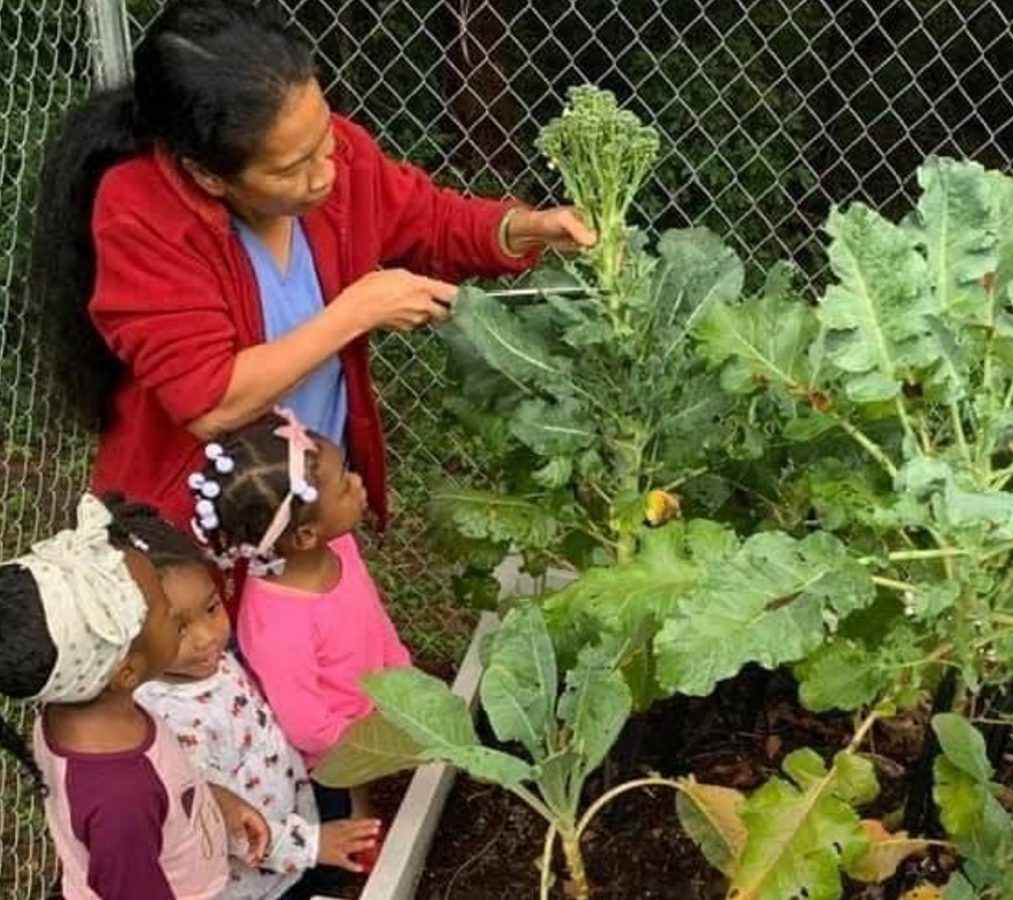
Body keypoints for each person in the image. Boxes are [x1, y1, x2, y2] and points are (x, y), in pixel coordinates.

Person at [30, 0, 594, 539]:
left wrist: (527, 228)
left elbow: (427, 218)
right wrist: (358, 311)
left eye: (325, 137)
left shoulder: (331, 155)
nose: (326, 171)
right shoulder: (140, 213)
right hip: (200, 535)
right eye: (293, 167)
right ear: (209, 176)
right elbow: (211, 402)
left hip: (304, 513)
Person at [0, 494, 270, 900]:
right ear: (126, 671)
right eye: (164, 612)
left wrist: (217, 802)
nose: (172, 613)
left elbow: (169, 790)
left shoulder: (77, 709)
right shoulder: (121, 800)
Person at [117, 497, 379, 899]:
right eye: (180, 629)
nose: (207, 637)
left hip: (295, 832)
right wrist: (312, 845)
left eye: (211, 608)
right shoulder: (171, 722)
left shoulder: (211, 662)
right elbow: (218, 820)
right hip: (255, 882)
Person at [189, 410, 409, 822]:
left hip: (371, 712)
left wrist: (400, 672)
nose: (358, 482)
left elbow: (372, 618)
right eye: (345, 485)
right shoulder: (277, 622)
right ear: (305, 535)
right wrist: (367, 744)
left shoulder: (339, 547)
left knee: (370, 797)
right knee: (349, 814)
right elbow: (305, 724)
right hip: (333, 754)